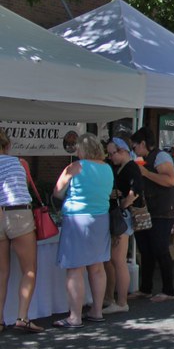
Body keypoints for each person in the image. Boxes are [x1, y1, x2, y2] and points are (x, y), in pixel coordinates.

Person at [53, 132, 113, 328]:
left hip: (77, 219)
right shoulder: (107, 168)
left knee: (75, 268)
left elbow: (57, 192)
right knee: (97, 267)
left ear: (83, 149)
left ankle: (75, 317)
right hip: (101, 219)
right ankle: (97, 311)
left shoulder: (75, 167)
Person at [0, 128, 43, 333]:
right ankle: (22, 317)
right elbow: (25, 186)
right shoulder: (19, 163)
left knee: (1, 271)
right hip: (18, 213)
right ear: (7, 145)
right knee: (29, 269)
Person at [130, 127, 174, 303]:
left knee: (160, 248)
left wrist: (146, 173)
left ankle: (168, 290)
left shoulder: (160, 157)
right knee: (146, 249)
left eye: (134, 146)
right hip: (148, 209)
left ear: (143, 143)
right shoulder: (143, 159)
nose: (134, 150)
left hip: (163, 209)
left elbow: (170, 180)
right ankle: (145, 288)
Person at [104, 137, 141, 314]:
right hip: (121, 216)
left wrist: (122, 205)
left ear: (123, 151)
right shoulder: (123, 167)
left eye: (112, 153)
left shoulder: (131, 167)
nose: (110, 157)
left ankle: (121, 302)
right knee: (115, 260)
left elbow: (134, 193)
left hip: (122, 217)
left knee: (118, 260)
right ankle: (113, 299)